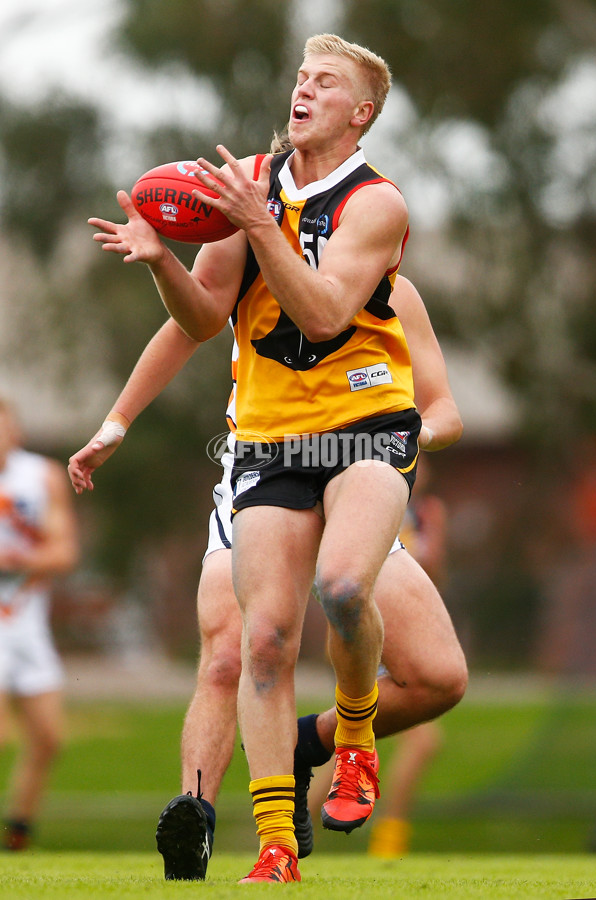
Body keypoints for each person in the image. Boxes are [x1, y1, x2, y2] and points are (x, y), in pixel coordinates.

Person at [75, 33, 466, 883]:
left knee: (344, 588)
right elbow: (203, 318)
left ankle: (354, 735)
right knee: (258, 645)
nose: (304, 88)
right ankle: (272, 846)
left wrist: (259, 222)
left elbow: (325, 317)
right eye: (300, 76)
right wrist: (162, 265)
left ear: (360, 113)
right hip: (265, 442)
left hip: (364, 433)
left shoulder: (376, 206)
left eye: (325, 83)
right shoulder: (245, 185)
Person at [0, 397, 79, 850]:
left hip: (27, 622)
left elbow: (63, 552)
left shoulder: (41, 475)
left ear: (18, 432)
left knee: (49, 737)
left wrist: (20, 557)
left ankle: (17, 833)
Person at [367, 455, 448, 858]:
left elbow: (434, 572)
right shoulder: (367, 503)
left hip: (409, 623)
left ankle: (292, 823)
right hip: (375, 626)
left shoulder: (428, 512)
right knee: (423, 738)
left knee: (358, 734)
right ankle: (390, 840)